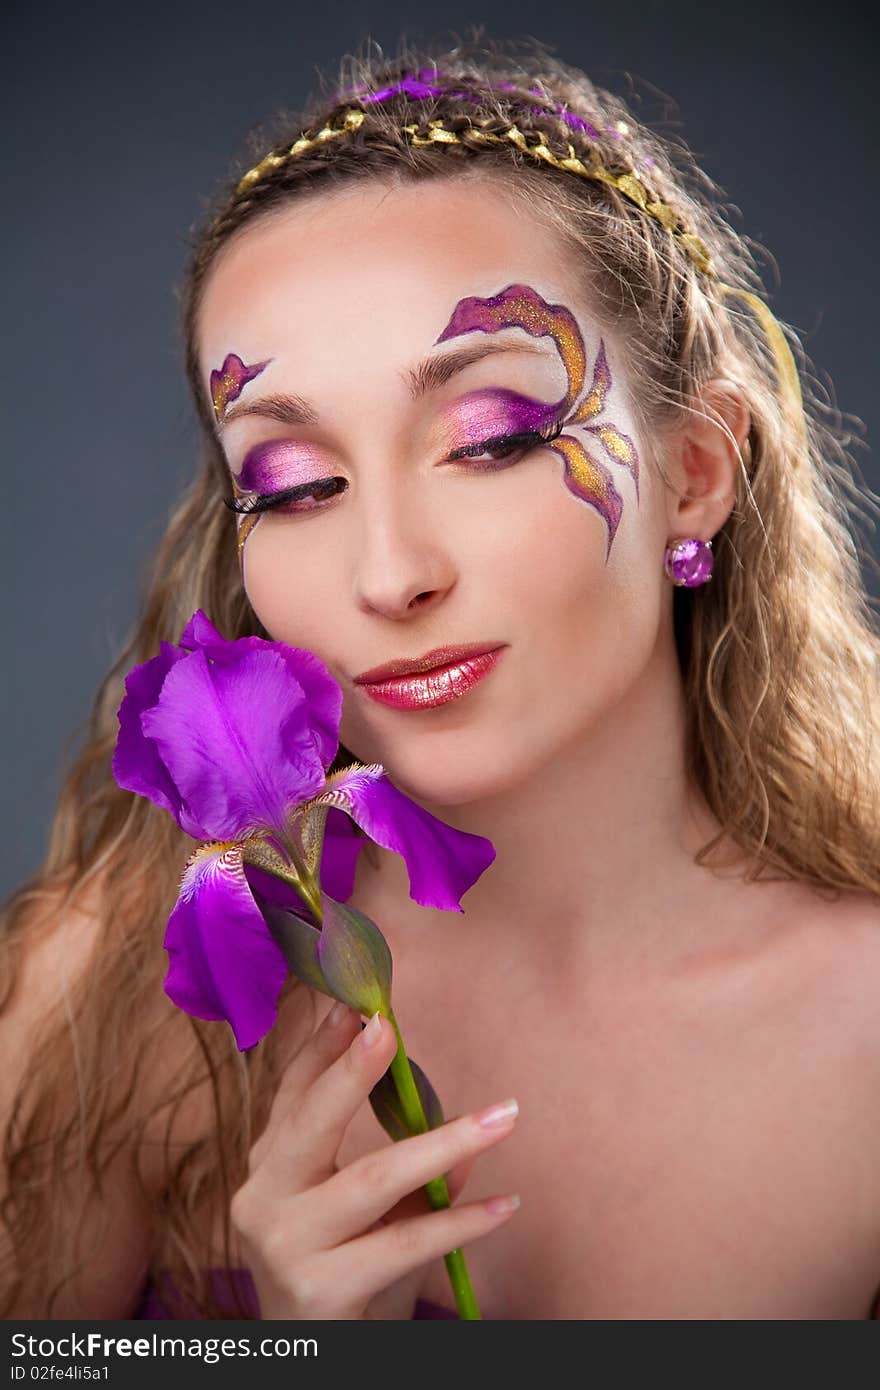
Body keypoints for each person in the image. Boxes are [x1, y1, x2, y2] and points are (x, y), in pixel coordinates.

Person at [3, 33, 880, 1322]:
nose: (390, 573)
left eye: (490, 442)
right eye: (294, 484)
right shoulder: (105, 992)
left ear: (696, 467)